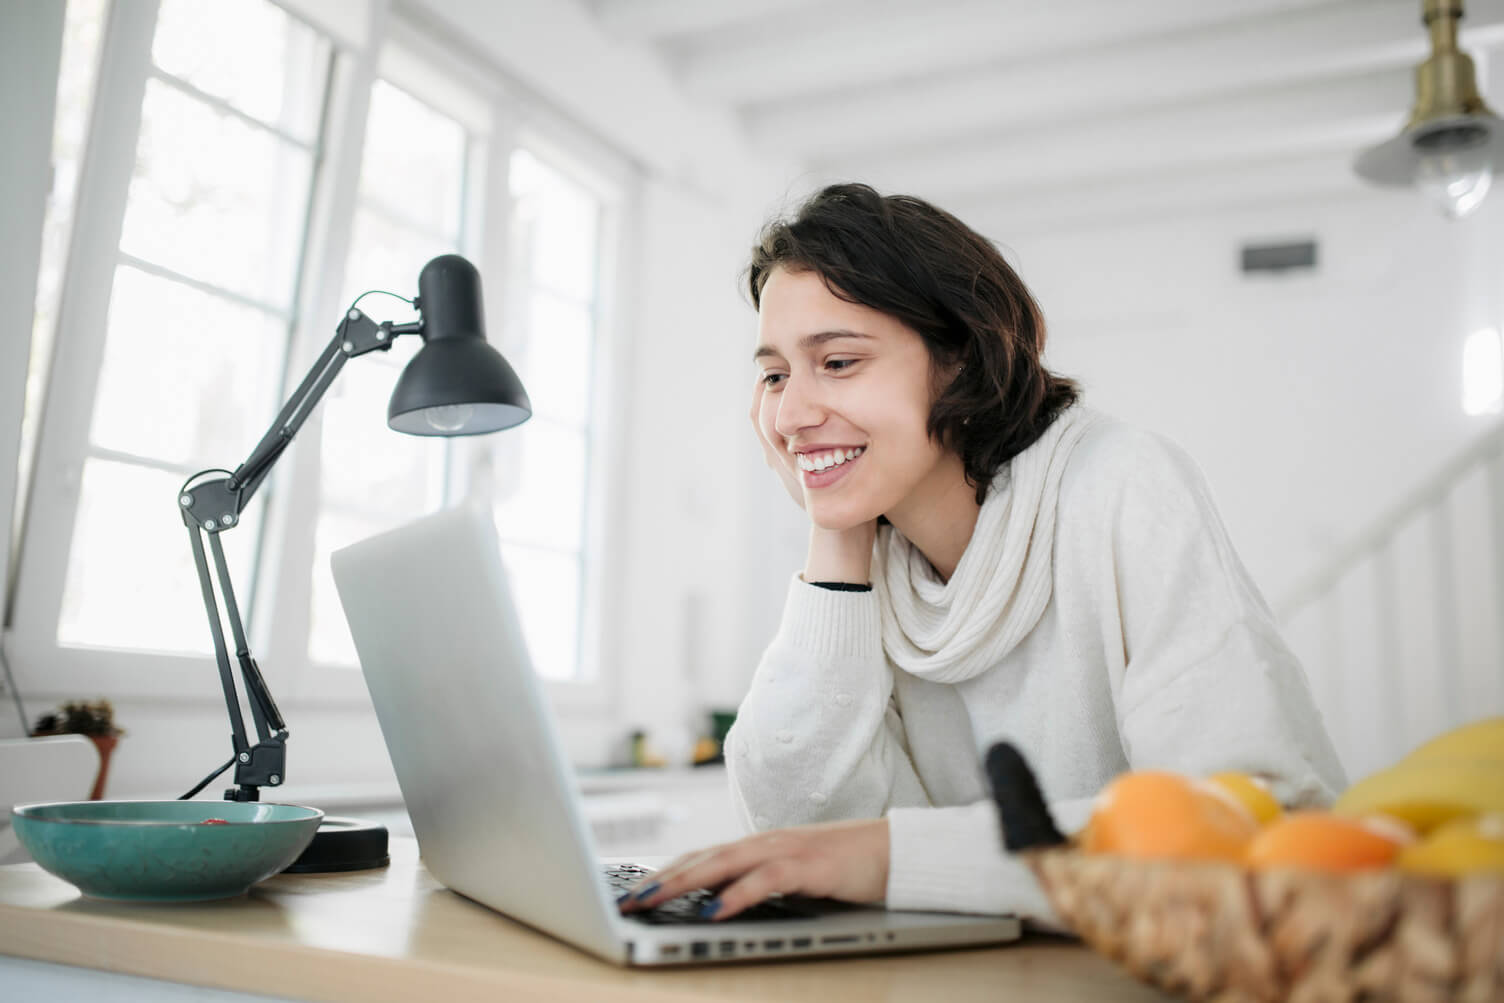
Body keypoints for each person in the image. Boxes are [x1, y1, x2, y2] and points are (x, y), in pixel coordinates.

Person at [618, 183, 1346, 926]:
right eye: (775, 375)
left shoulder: (1123, 485)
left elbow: (1252, 824)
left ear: (960, 362)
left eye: (837, 362)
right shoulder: (878, 552)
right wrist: (835, 527)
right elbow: (794, 825)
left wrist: (893, 856)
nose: (792, 415)